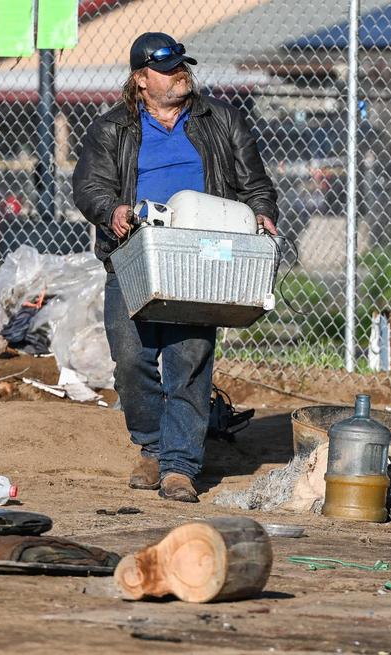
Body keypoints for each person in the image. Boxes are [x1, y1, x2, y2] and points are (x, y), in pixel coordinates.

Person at [72, 32, 278, 503]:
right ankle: (152, 445)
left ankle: (179, 466)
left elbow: (255, 183)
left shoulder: (221, 121)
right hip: (134, 252)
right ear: (140, 79)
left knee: (188, 360)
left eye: (182, 66)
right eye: (166, 70)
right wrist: (113, 211)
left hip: (201, 254)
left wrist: (262, 213)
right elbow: (89, 186)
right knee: (131, 359)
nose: (179, 74)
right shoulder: (112, 129)